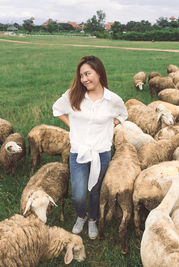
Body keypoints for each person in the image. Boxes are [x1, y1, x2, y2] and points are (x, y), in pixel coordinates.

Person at [52, 55, 128, 239]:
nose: (84, 79)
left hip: (101, 153)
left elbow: (123, 114)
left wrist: (111, 125)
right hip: (78, 151)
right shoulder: (74, 95)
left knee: (95, 190)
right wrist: (72, 126)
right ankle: (81, 215)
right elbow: (57, 109)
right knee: (78, 194)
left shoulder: (112, 100)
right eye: (81, 75)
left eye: (88, 74)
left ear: (99, 72)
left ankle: (93, 219)